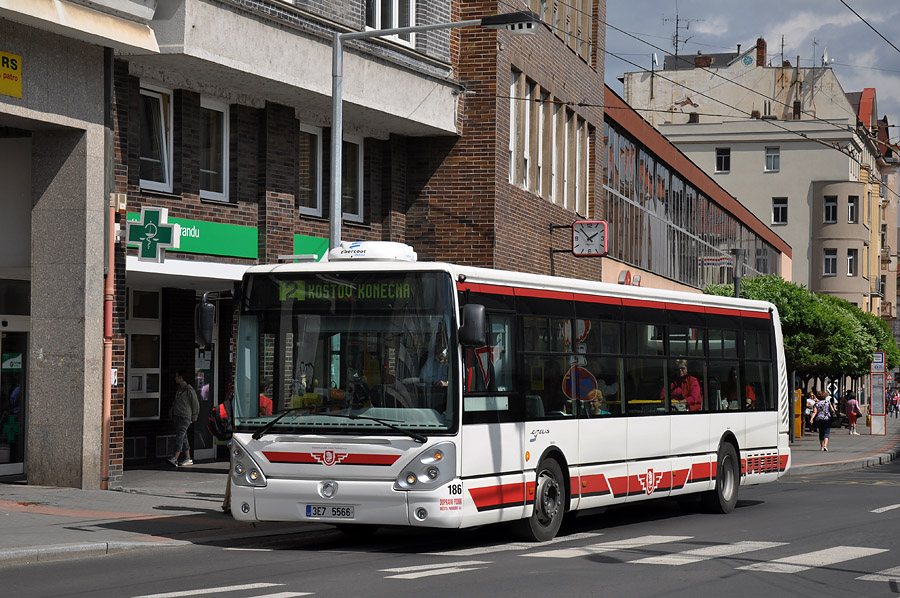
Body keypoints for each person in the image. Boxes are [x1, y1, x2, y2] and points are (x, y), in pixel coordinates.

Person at [167, 369, 200, 467]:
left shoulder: (190, 390)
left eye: (177, 376)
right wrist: (172, 410)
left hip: (185, 417)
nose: (175, 378)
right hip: (178, 415)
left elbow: (195, 404)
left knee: (179, 437)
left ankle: (175, 457)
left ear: (181, 378)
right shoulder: (179, 389)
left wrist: (194, 416)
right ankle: (188, 458)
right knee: (184, 437)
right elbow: (176, 401)